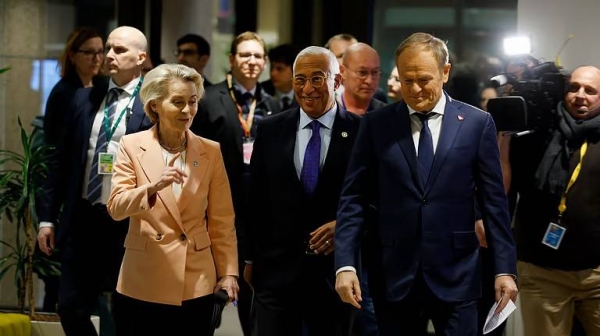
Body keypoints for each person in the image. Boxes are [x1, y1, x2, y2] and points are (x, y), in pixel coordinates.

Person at [334, 32, 518, 336]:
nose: (416, 89)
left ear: (445, 72)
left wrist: (504, 269)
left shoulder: (476, 124)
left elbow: (494, 203)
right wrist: (345, 264)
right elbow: (353, 198)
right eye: (407, 80)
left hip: (458, 273)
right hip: (393, 274)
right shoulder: (377, 124)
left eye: (424, 79)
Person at [106, 63, 239, 335]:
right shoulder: (131, 145)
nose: (188, 110)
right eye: (177, 102)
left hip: (195, 280)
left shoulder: (210, 151)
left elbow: (222, 221)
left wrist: (228, 273)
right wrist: (151, 188)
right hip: (142, 280)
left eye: (192, 102)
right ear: (155, 105)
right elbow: (116, 208)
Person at [37, 26, 153, 336]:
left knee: (127, 311)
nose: (108, 56)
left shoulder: (154, 103)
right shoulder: (85, 96)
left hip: (129, 221)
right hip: (84, 216)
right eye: (108, 49)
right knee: (71, 306)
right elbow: (62, 160)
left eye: (119, 50)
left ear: (141, 58)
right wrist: (47, 218)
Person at [244, 46, 359, 336]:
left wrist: (344, 226)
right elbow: (255, 199)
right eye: (300, 79)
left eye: (317, 79)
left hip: (335, 276)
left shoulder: (361, 132)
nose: (307, 89)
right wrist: (247, 259)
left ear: (336, 80)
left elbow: (378, 200)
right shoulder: (271, 130)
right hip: (276, 273)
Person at [189, 31, 280, 336]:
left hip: (258, 214)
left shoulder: (274, 103)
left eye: (257, 56)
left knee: (254, 300)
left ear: (264, 62)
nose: (251, 61)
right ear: (231, 59)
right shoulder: (208, 98)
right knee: (207, 296)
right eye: (245, 55)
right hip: (214, 208)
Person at [503, 65, 600, 335]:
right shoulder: (535, 136)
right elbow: (503, 188)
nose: (580, 95)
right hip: (542, 272)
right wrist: (503, 136)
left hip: (596, 273)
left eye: (590, 90)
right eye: (574, 87)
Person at [44, 26, 106, 148]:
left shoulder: (103, 86)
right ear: (72, 56)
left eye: (100, 52)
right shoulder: (63, 92)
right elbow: (54, 142)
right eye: (89, 52)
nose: (97, 59)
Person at [339, 42, 386, 116]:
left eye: (375, 72)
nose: (369, 81)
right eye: (362, 72)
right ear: (343, 71)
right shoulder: (327, 113)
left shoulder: (388, 116)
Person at [261, 43, 300, 111]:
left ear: (295, 70)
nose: (273, 73)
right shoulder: (262, 91)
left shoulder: (305, 93)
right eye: (272, 68)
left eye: (279, 69)